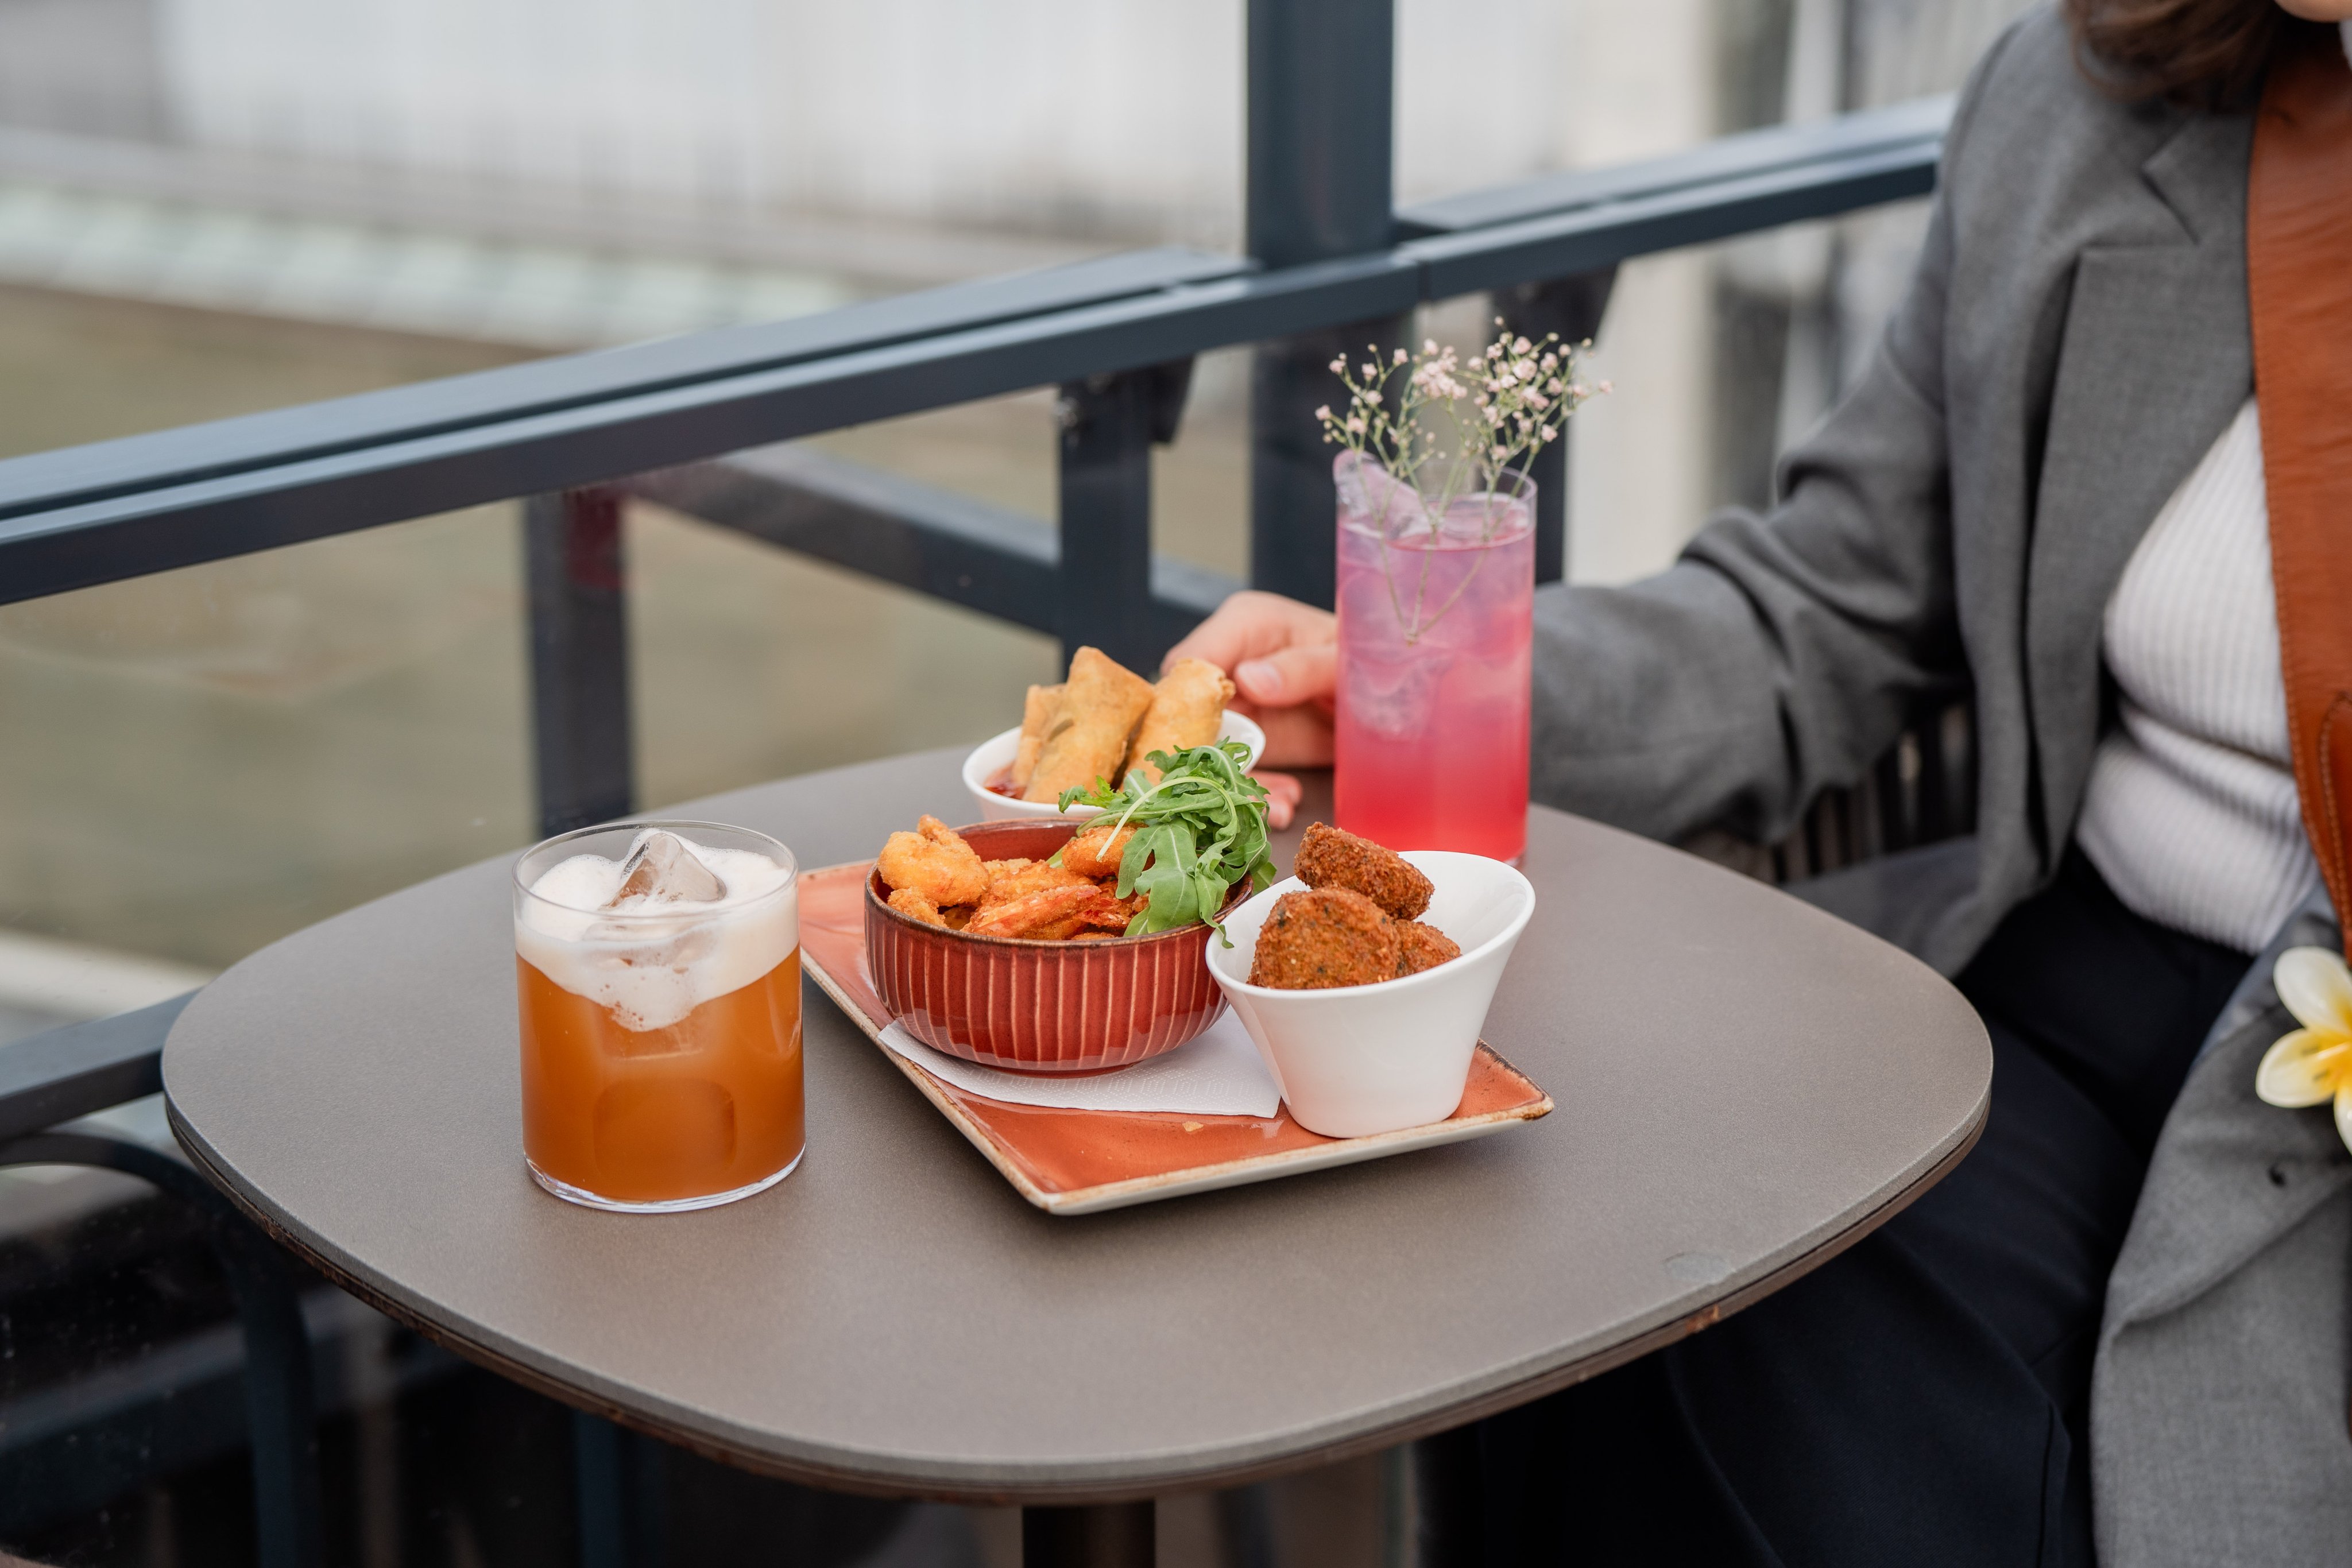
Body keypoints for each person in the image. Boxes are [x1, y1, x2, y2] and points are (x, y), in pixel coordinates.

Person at [1167, 3, 2352, 1563]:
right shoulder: (2084, 105)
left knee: (1848, 1405)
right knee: (1593, 1247)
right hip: (2055, 971)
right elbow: (1837, 600)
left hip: (2299, 1115)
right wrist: (1427, 681)